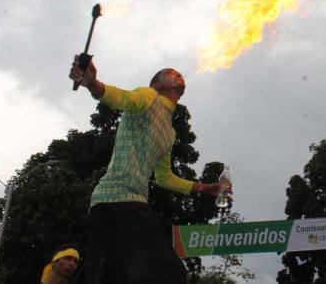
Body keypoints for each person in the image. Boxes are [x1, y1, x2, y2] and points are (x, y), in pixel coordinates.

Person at [69, 56, 224, 284]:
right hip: (118, 199)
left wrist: (204, 188)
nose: (177, 73)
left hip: (117, 204)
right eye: (170, 72)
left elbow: (164, 178)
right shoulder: (149, 96)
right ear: (157, 85)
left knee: (106, 276)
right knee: (166, 272)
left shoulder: (170, 133)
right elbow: (122, 98)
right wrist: (93, 84)